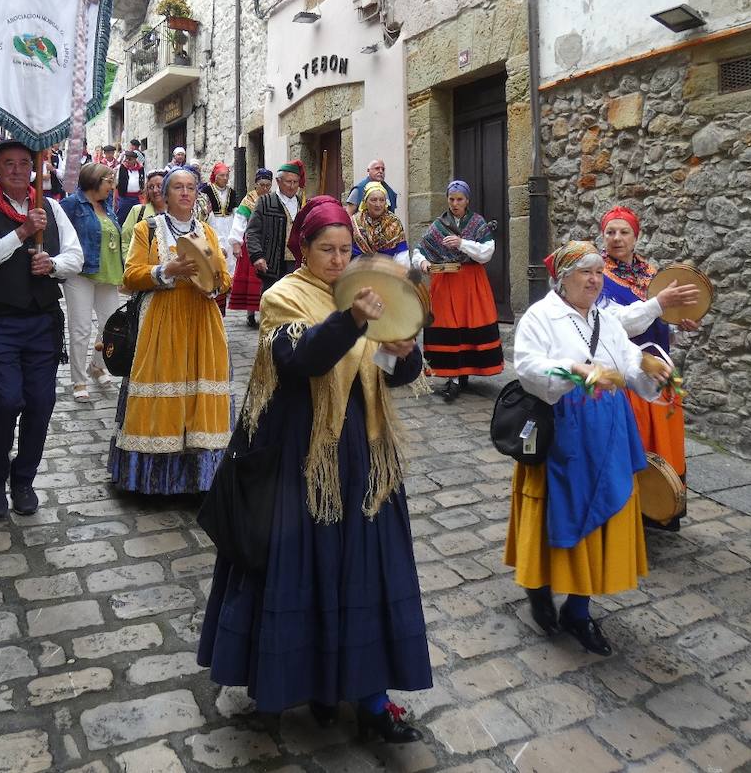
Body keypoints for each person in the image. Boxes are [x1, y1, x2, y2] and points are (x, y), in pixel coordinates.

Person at [198, 196, 430, 740]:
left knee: (364, 571)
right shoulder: (284, 297)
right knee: (303, 572)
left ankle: (371, 698)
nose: (336, 258)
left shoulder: (365, 295)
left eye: (346, 249)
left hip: (364, 451)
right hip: (303, 458)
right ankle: (294, 681)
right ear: (300, 249)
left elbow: (390, 375)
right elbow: (300, 361)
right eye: (326, 249)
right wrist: (352, 320)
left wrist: (402, 350)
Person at [505, 240, 673, 656]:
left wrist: (649, 367)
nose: (595, 280)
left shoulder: (606, 318)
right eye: (586, 272)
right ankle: (540, 588)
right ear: (563, 277)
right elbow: (526, 366)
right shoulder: (541, 317)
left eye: (599, 272)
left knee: (604, 515)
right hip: (561, 430)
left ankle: (579, 610)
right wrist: (573, 371)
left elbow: (628, 361)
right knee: (554, 511)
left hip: (609, 432)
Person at [0, 140, 84, 519]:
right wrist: (21, 233)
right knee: (7, 400)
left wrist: (53, 264)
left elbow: (76, 258)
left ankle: (24, 479)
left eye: (23, 163)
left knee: (41, 403)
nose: (16, 169)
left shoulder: (50, 206)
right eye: (8, 163)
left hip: (42, 320)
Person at [111, 167, 232, 493]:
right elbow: (131, 275)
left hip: (201, 321)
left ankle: (199, 479)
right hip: (162, 320)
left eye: (190, 187)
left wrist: (212, 285)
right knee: (163, 387)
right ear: (163, 194)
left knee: (197, 394)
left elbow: (224, 276)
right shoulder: (146, 229)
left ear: (196, 194)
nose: (184, 193)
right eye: (177, 187)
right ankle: (154, 479)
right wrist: (168, 269)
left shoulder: (207, 232)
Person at [598, 206, 701, 531]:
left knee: (662, 441)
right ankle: (627, 514)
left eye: (623, 232)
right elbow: (614, 325)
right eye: (610, 232)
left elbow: (658, 324)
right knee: (633, 441)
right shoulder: (596, 275)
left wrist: (678, 325)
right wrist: (659, 305)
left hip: (659, 370)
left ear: (636, 236)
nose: (616, 238)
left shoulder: (652, 275)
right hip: (626, 375)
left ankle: (659, 508)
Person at [413, 180, 503, 401]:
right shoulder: (438, 225)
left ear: (467, 200)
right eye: (451, 199)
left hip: (471, 282)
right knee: (448, 325)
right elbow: (418, 250)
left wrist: (462, 243)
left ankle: (465, 372)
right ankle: (452, 378)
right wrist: (423, 263)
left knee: (469, 323)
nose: (455, 203)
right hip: (445, 282)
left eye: (459, 199)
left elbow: (486, 252)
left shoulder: (477, 223)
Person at [59, 163, 124, 402]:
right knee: (80, 328)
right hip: (81, 273)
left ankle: (97, 366)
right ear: (95, 180)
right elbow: (58, 235)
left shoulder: (108, 206)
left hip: (108, 273)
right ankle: (78, 381)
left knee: (111, 326)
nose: (112, 186)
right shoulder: (71, 205)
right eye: (109, 181)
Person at [244, 161, 304, 293]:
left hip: (296, 264)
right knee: (272, 302)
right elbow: (252, 232)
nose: (292, 186)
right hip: (272, 263)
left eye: (295, 182)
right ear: (278, 181)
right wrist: (257, 256)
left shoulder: (301, 202)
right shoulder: (265, 202)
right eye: (288, 182)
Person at [228, 168, 272, 327]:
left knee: (266, 280)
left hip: (269, 245)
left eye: (268, 185)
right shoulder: (248, 201)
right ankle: (251, 314)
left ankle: (267, 312)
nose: (265, 188)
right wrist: (236, 243)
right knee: (252, 280)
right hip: (251, 245)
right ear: (256, 184)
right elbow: (239, 222)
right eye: (262, 185)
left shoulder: (272, 199)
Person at [199, 163, 238, 303]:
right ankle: (218, 280)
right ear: (215, 176)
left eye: (227, 176)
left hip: (228, 222)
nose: (225, 178)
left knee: (230, 253)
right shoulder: (206, 190)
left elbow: (234, 209)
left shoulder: (232, 192)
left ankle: (230, 282)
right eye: (222, 175)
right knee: (216, 250)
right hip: (213, 222)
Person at [351, 181, 409, 265]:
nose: (378, 204)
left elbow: (402, 256)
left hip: (388, 272)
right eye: (373, 200)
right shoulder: (356, 221)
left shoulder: (393, 223)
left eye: (382, 200)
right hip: (360, 271)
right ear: (365, 202)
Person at [121, 170, 167, 263]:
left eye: (159, 186)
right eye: (151, 187)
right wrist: (130, 263)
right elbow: (126, 240)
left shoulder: (176, 213)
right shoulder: (138, 211)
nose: (155, 190)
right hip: (141, 270)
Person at [114, 149, 145, 223]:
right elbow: (115, 183)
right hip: (124, 198)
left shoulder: (141, 169)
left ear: (135, 160)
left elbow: (144, 181)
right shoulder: (121, 168)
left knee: (137, 217)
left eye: (130, 159)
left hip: (137, 198)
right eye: (126, 158)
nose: (127, 161)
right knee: (122, 217)